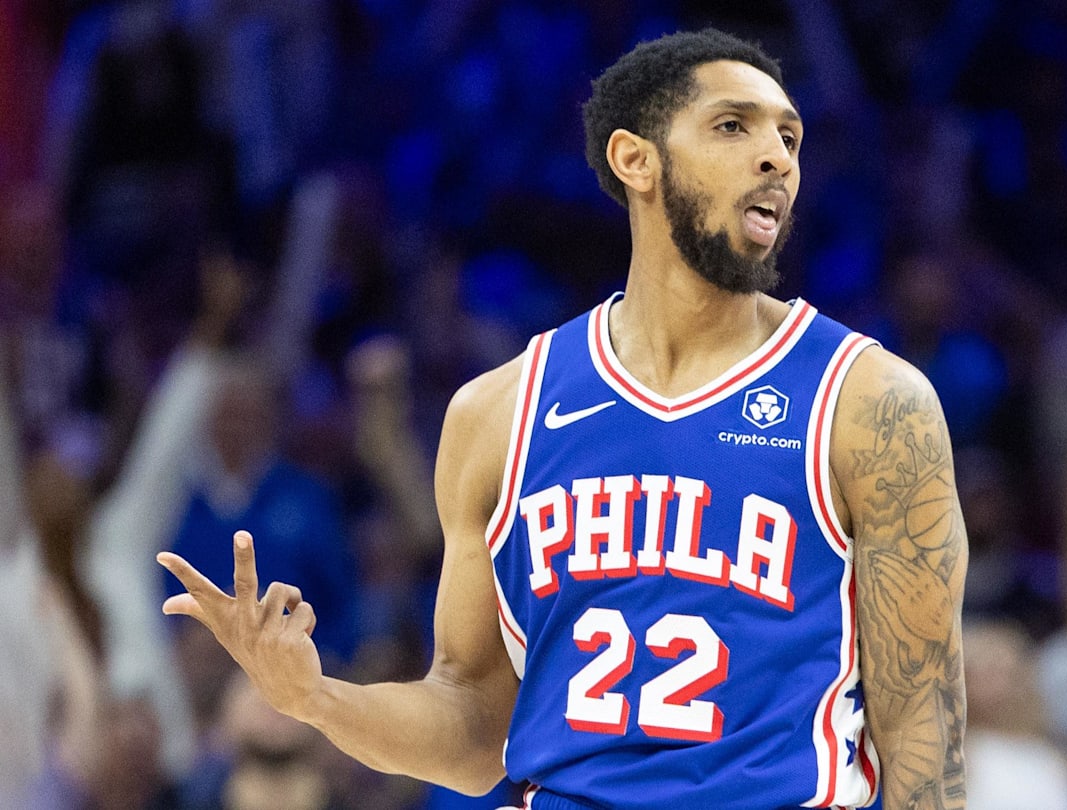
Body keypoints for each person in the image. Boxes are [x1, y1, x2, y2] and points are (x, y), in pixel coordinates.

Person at [158, 29, 968, 810]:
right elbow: (473, 731)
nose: (776, 157)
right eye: (733, 126)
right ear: (634, 159)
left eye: (790, 137)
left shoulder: (870, 402)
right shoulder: (499, 413)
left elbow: (922, 724)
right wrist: (314, 697)